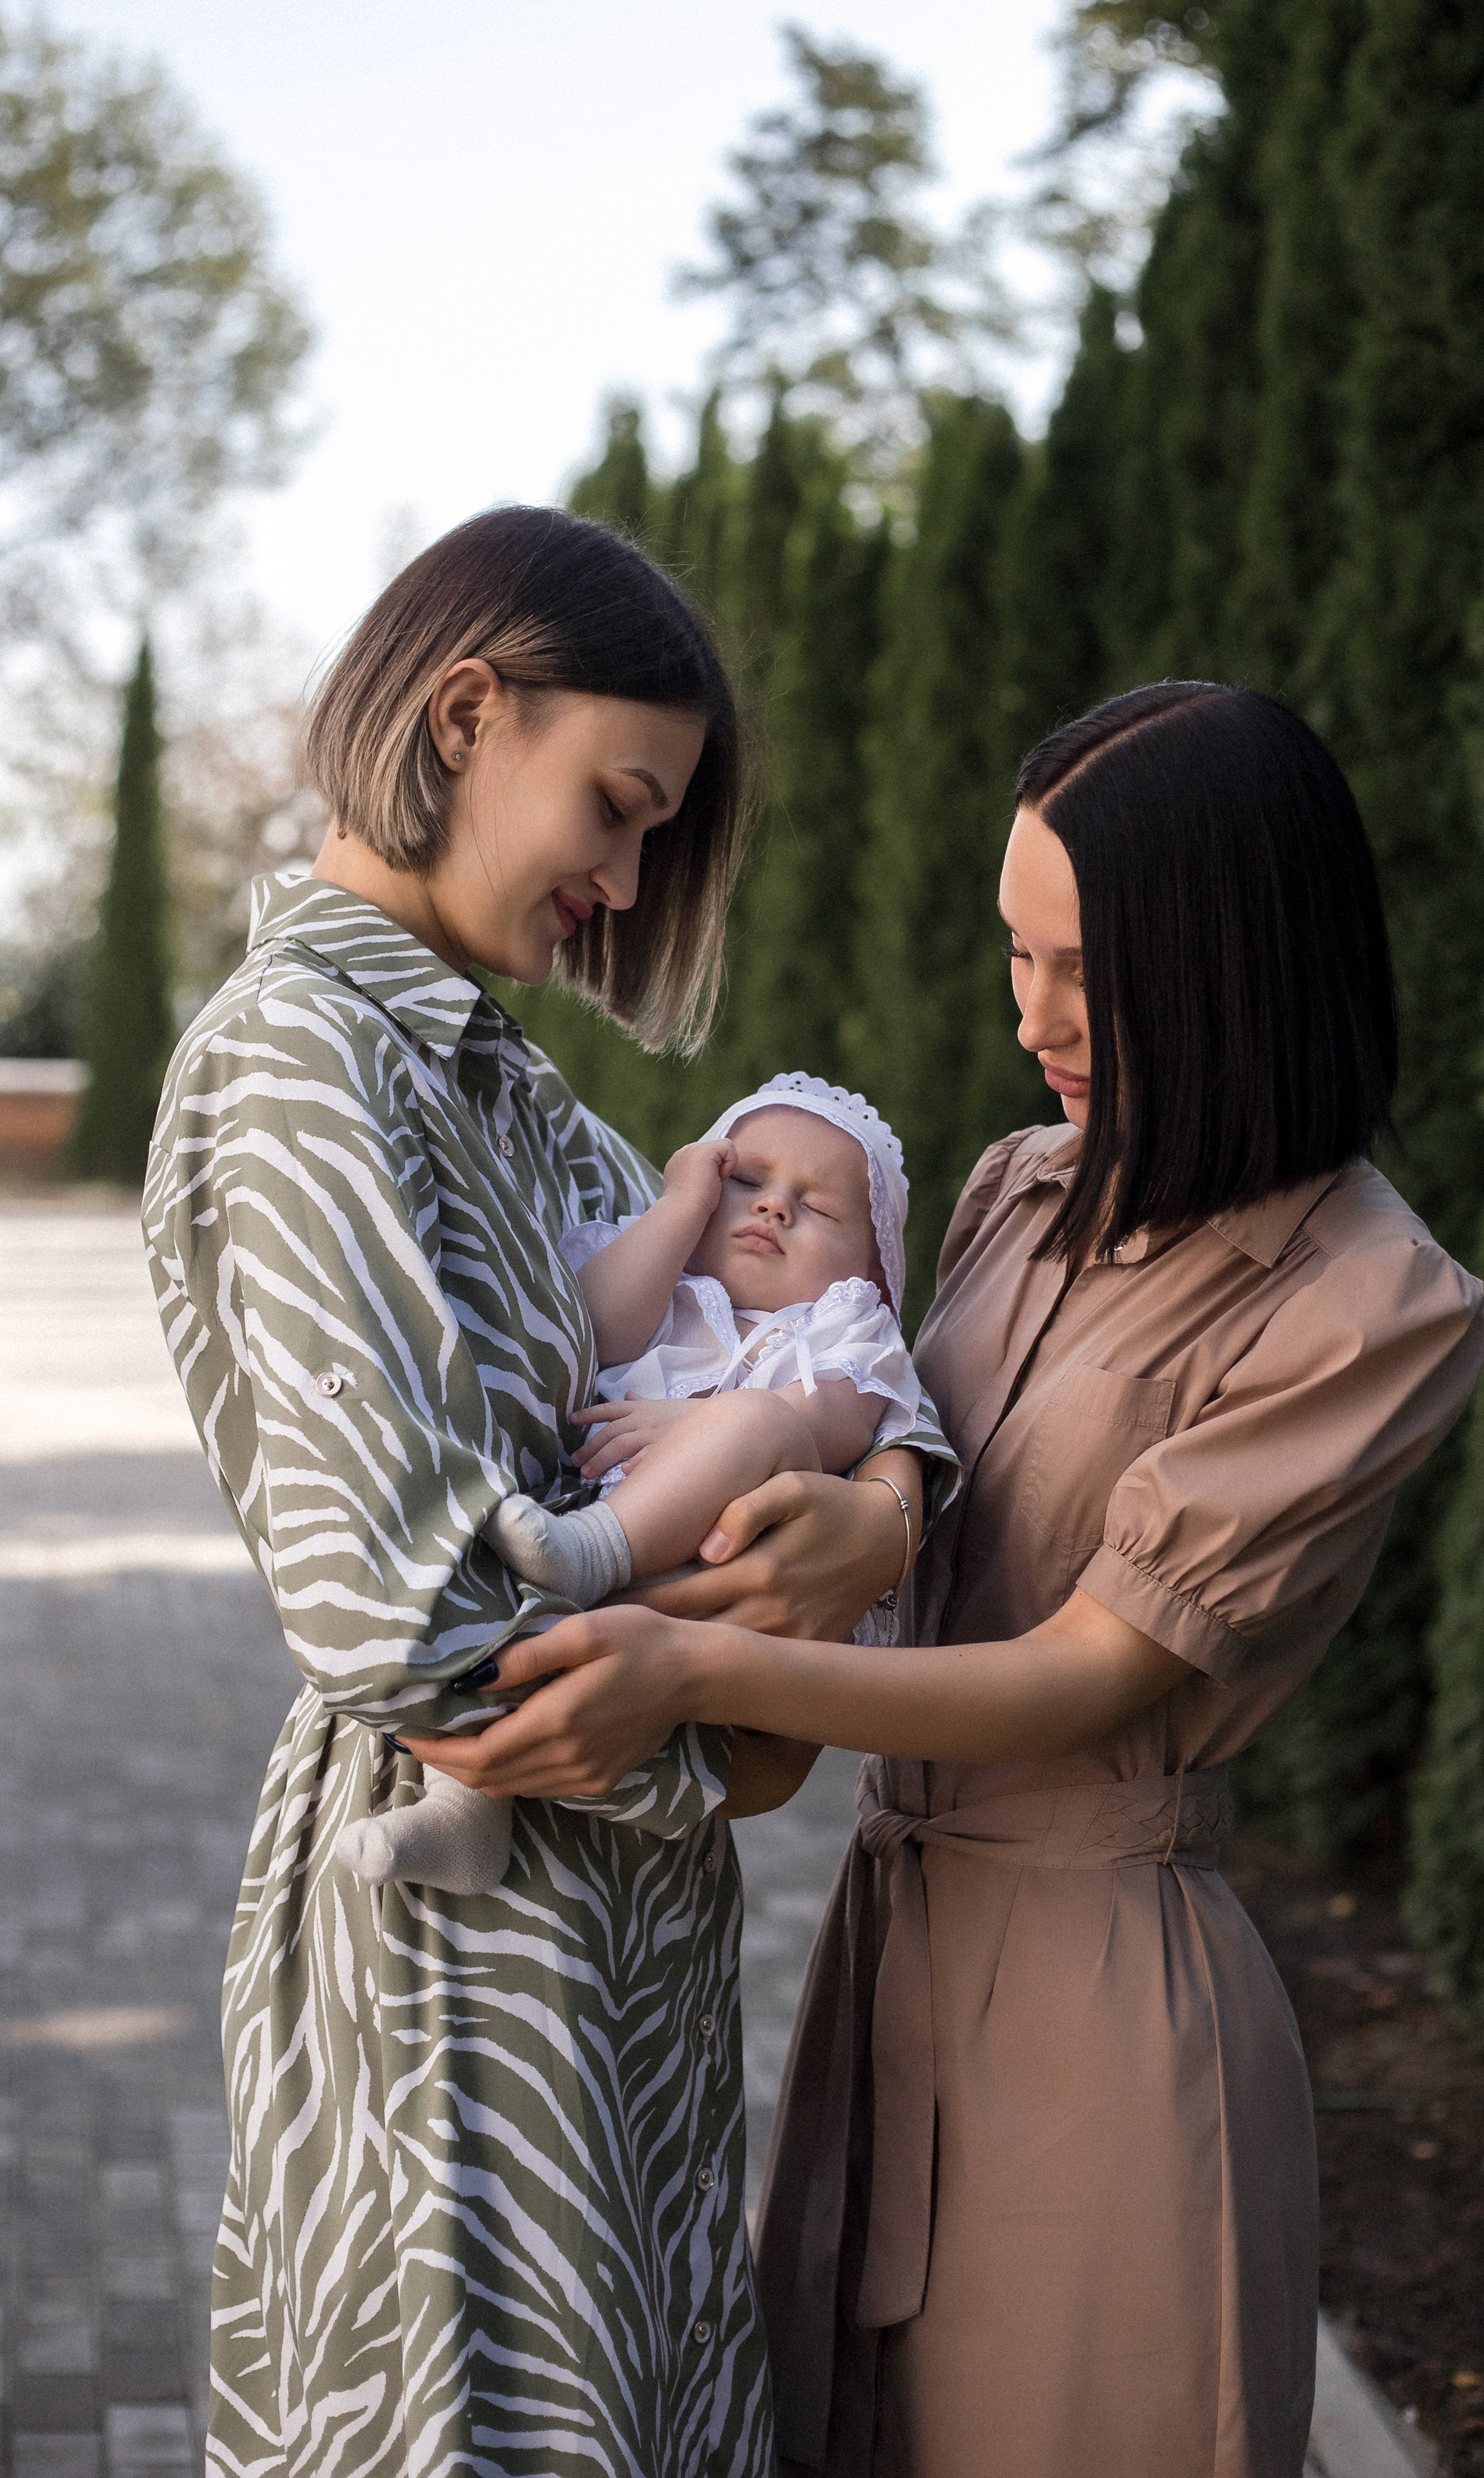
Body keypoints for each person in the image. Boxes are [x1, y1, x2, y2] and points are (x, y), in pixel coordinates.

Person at [430, 682, 1484, 2478]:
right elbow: (889, 1425)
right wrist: (870, 1507)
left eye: (1088, 967)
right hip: (887, 1953)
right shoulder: (1020, 1186)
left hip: (1099, 2005)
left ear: (1242, 959)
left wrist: (688, 1669)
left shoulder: (1370, 1302)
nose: (1033, 1016)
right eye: (1017, 952)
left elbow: (1090, 1671)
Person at [143, 505, 948, 2478]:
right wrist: (752, 1721)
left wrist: (882, 1507)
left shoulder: (510, 1089)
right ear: (463, 714)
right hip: (458, 1983)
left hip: (631, 1975)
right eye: (617, 805)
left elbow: (788, 1351)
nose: (627, 878)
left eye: (659, 833)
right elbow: (418, 1633)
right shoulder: (298, 1066)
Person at [339, 1073, 923, 1895]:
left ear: (874, 1270)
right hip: (570, 1529)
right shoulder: (663, 1279)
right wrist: (679, 1209)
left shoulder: (841, 1328)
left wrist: (698, 1422)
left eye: (818, 1207)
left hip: (711, 1568)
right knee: (502, 1643)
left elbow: (837, 1420)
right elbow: (591, 1332)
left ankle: (588, 1556)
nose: (774, 1207)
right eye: (746, 1182)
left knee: (757, 1420)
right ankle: (464, 1813)